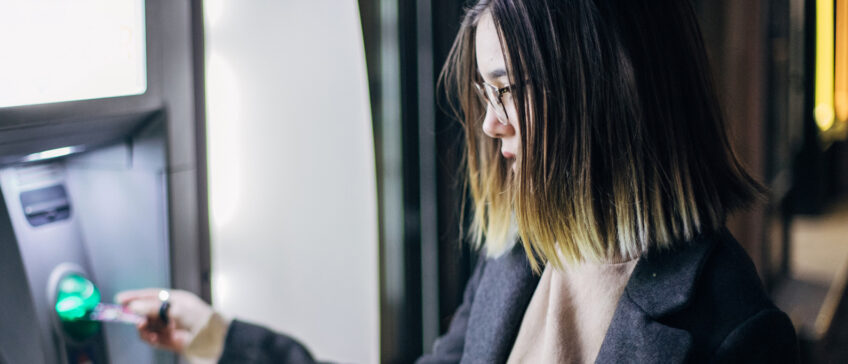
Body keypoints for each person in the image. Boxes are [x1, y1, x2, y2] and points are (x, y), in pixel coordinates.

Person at [118, 0, 799, 362]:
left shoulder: (736, 331)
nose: (492, 125)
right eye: (484, 94)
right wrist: (218, 338)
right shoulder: (519, 259)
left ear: (604, 92)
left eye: (510, 91)